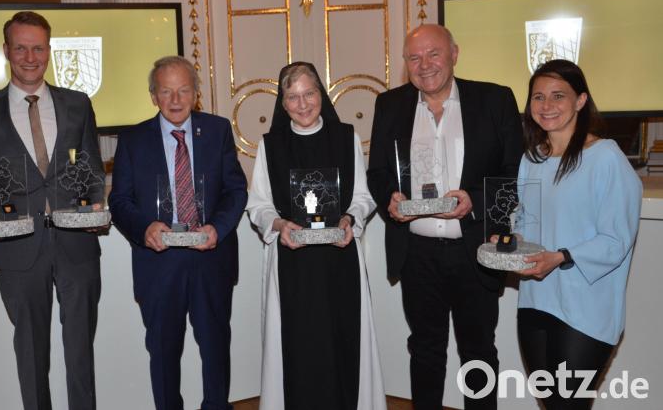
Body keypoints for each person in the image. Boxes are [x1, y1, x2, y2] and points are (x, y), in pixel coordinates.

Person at [366, 24, 523, 409]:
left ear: (454, 53)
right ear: (405, 64)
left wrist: (476, 199)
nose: (425, 65)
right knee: (424, 351)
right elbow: (378, 173)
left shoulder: (495, 100)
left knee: (479, 353)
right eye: (414, 58)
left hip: (475, 250)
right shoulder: (389, 105)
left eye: (434, 54)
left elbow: (515, 173)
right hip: (417, 253)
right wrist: (390, 198)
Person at [0, 11, 104, 410]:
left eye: (38, 47)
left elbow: (90, 164)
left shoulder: (78, 104)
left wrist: (94, 205)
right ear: (7, 51)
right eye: (21, 47)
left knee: (81, 351)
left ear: (49, 50)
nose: (30, 56)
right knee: (30, 351)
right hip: (19, 249)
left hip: (76, 244)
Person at [108, 56, 247, 410]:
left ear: (196, 93)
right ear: (153, 95)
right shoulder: (133, 140)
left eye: (183, 90)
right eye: (165, 91)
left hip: (211, 259)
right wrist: (144, 228)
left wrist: (218, 226)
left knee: (216, 348)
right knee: (163, 352)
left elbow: (235, 190)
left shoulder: (217, 131)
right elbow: (120, 200)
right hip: (159, 264)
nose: (175, 99)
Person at [247, 62, 386, 410]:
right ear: (282, 104)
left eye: (309, 93)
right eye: (292, 97)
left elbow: (363, 197)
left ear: (320, 94)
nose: (303, 104)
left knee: (343, 342)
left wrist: (350, 219)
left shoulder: (346, 137)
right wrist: (280, 226)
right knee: (297, 345)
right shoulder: (270, 145)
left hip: (339, 259)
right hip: (292, 261)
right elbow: (259, 205)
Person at [514, 59, 641, 408]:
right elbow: (527, 219)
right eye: (538, 97)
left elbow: (617, 239)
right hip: (535, 300)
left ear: (581, 100)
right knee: (552, 404)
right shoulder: (532, 159)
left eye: (558, 96)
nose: (546, 106)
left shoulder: (606, 159)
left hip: (586, 308)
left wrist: (562, 256)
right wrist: (510, 241)